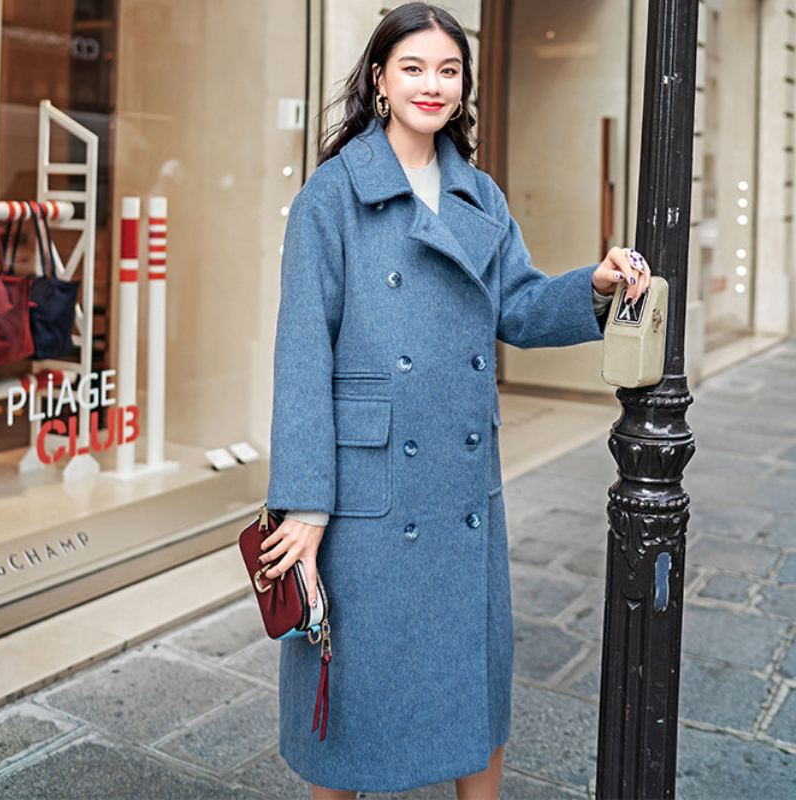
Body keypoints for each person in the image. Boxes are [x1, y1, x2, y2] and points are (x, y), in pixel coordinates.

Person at [261, 3, 652, 798]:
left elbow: (520, 307)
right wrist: (302, 505)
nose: (431, 85)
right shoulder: (331, 199)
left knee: (474, 693)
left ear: (465, 86)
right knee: (351, 703)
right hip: (366, 491)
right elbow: (301, 356)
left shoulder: (480, 196)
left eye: (448, 70)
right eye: (412, 67)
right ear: (379, 79)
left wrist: (597, 286)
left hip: (461, 482)